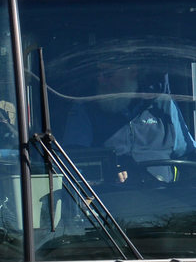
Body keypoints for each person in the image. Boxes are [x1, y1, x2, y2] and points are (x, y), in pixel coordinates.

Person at [63, 63, 196, 184]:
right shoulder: (85, 108)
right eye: (98, 75)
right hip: (106, 204)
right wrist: (104, 174)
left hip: (168, 205)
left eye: (107, 75)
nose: (101, 80)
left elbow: (188, 154)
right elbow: (74, 163)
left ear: (133, 71)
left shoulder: (163, 105)